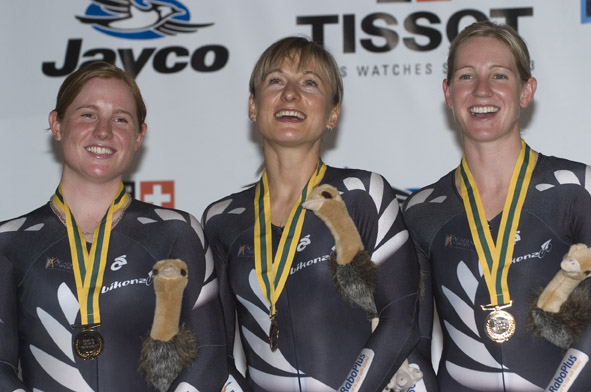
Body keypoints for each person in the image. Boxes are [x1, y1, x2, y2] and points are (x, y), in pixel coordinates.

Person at [202, 36, 436, 391]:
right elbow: (213, 354)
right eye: (276, 81)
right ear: (253, 107)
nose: (291, 94)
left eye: (310, 83)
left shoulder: (362, 195)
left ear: (333, 114)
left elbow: (402, 322)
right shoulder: (222, 219)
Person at [0, 61, 229, 391]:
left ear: (138, 137)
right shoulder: (9, 242)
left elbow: (209, 357)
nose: (103, 131)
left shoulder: (177, 232)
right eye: (88, 114)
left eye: (120, 119)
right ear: (57, 124)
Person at [402, 21, 591, 391]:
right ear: (448, 92)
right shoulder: (421, 211)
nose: (482, 90)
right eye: (466, 76)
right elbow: (410, 342)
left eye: (499, 76)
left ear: (526, 91)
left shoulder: (576, 189)